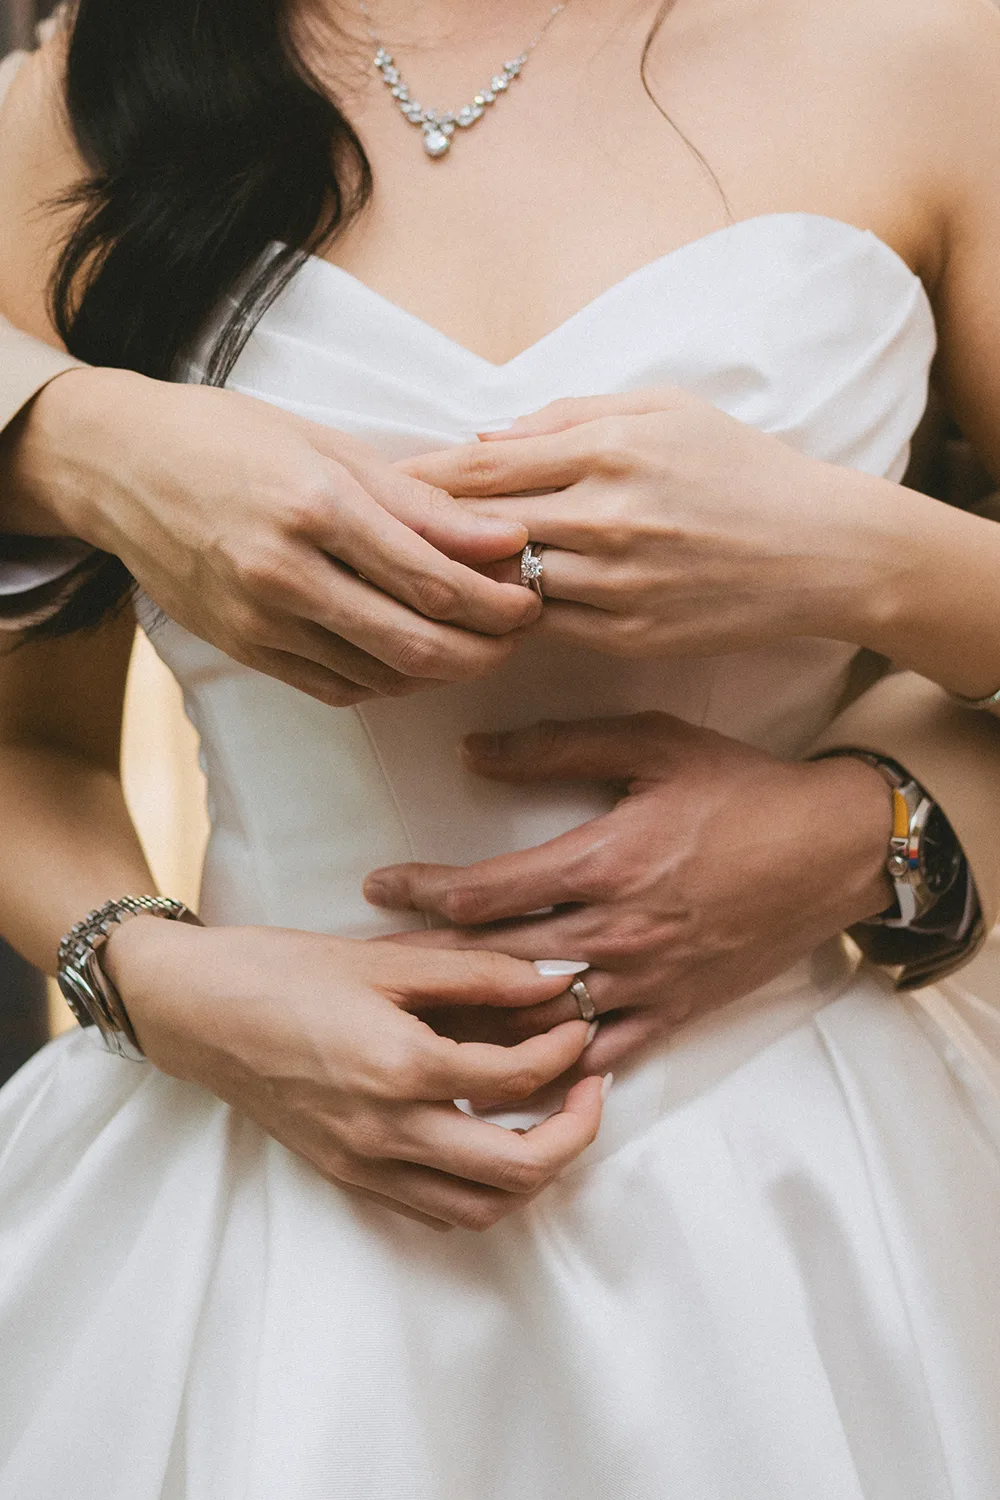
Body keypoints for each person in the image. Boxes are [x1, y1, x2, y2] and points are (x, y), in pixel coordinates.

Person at [2, 1, 1000, 1495]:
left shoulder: (930, 50)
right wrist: (166, 982)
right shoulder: (104, 81)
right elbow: (29, 742)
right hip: (248, 1169)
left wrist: (855, 573)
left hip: (795, 1189)